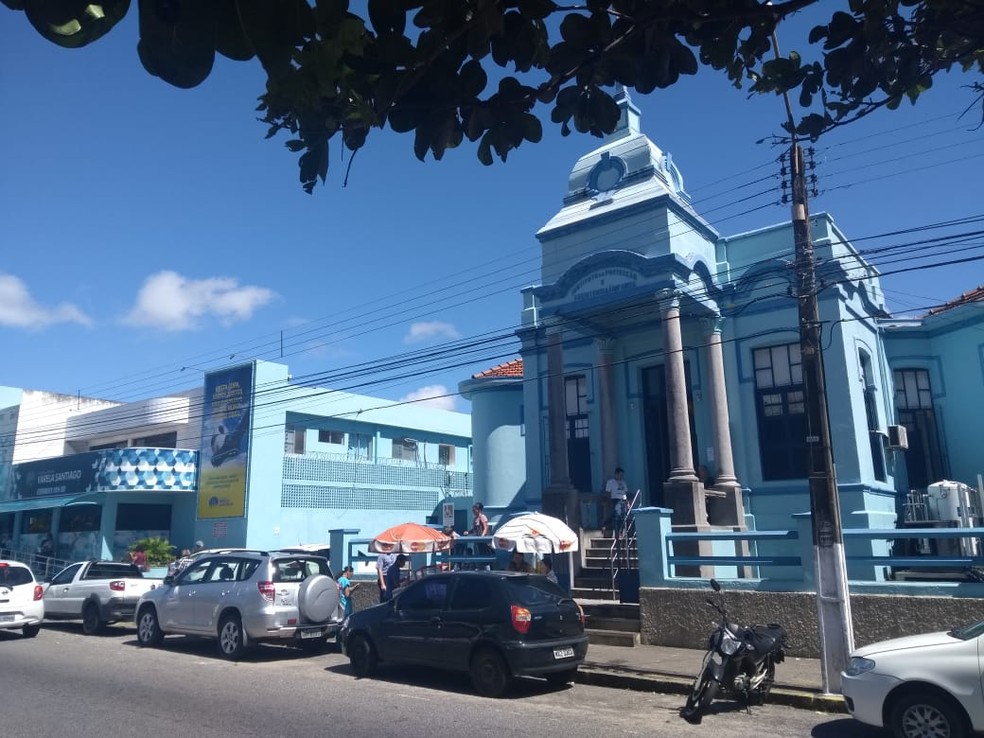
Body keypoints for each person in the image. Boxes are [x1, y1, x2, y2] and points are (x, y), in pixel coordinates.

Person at [605, 467, 629, 537]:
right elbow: (608, 493)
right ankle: (615, 531)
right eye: (620, 475)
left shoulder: (623, 482)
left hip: (623, 500)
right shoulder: (610, 482)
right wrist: (609, 501)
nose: (621, 477)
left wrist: (627, 502)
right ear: (616, 474)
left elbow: (625, 493)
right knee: (617, 516)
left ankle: (621, 532)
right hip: (616, 500)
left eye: (622, 475)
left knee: (623, 516)